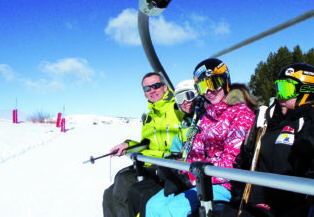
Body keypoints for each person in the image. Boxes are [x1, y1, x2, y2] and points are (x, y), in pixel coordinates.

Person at [223, 63, 314, 217]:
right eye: (279, 88)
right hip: (254, 201)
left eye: (286, 89)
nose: (280, 95)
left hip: (290, 207)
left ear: (308, 91)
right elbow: (249, 157)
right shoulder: (267, 119)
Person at [145, 58, 256, 217]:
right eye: (203, 86)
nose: (208, 91)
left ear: (226, 81)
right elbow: (195, 153)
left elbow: (231, 162)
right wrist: (177, 172)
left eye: (214, 83)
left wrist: (190, 179)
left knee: (173, 210)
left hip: (226, 185)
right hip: (201, 179)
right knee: (153, 205)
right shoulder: (207, 116)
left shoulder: (241, 114)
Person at [103, 72, 183, 217]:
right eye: (147, 88)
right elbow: (146, 144)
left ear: (165, 87)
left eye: (156, 86)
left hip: (170, 164)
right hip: (151, 162)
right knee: (109, 193)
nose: (152, 90)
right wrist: (128, 145)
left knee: (124, 182)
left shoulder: (178, 108)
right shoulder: (149, 117)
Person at [126, 79, 203, 217]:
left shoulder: (203, 120)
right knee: (133, 191)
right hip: (175, 170)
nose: (185, 101)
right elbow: (150, 144)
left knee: (144, 195)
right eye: (180, 98)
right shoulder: (183, 124)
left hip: (195, 176)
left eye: (189, 95)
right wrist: (128, 145)